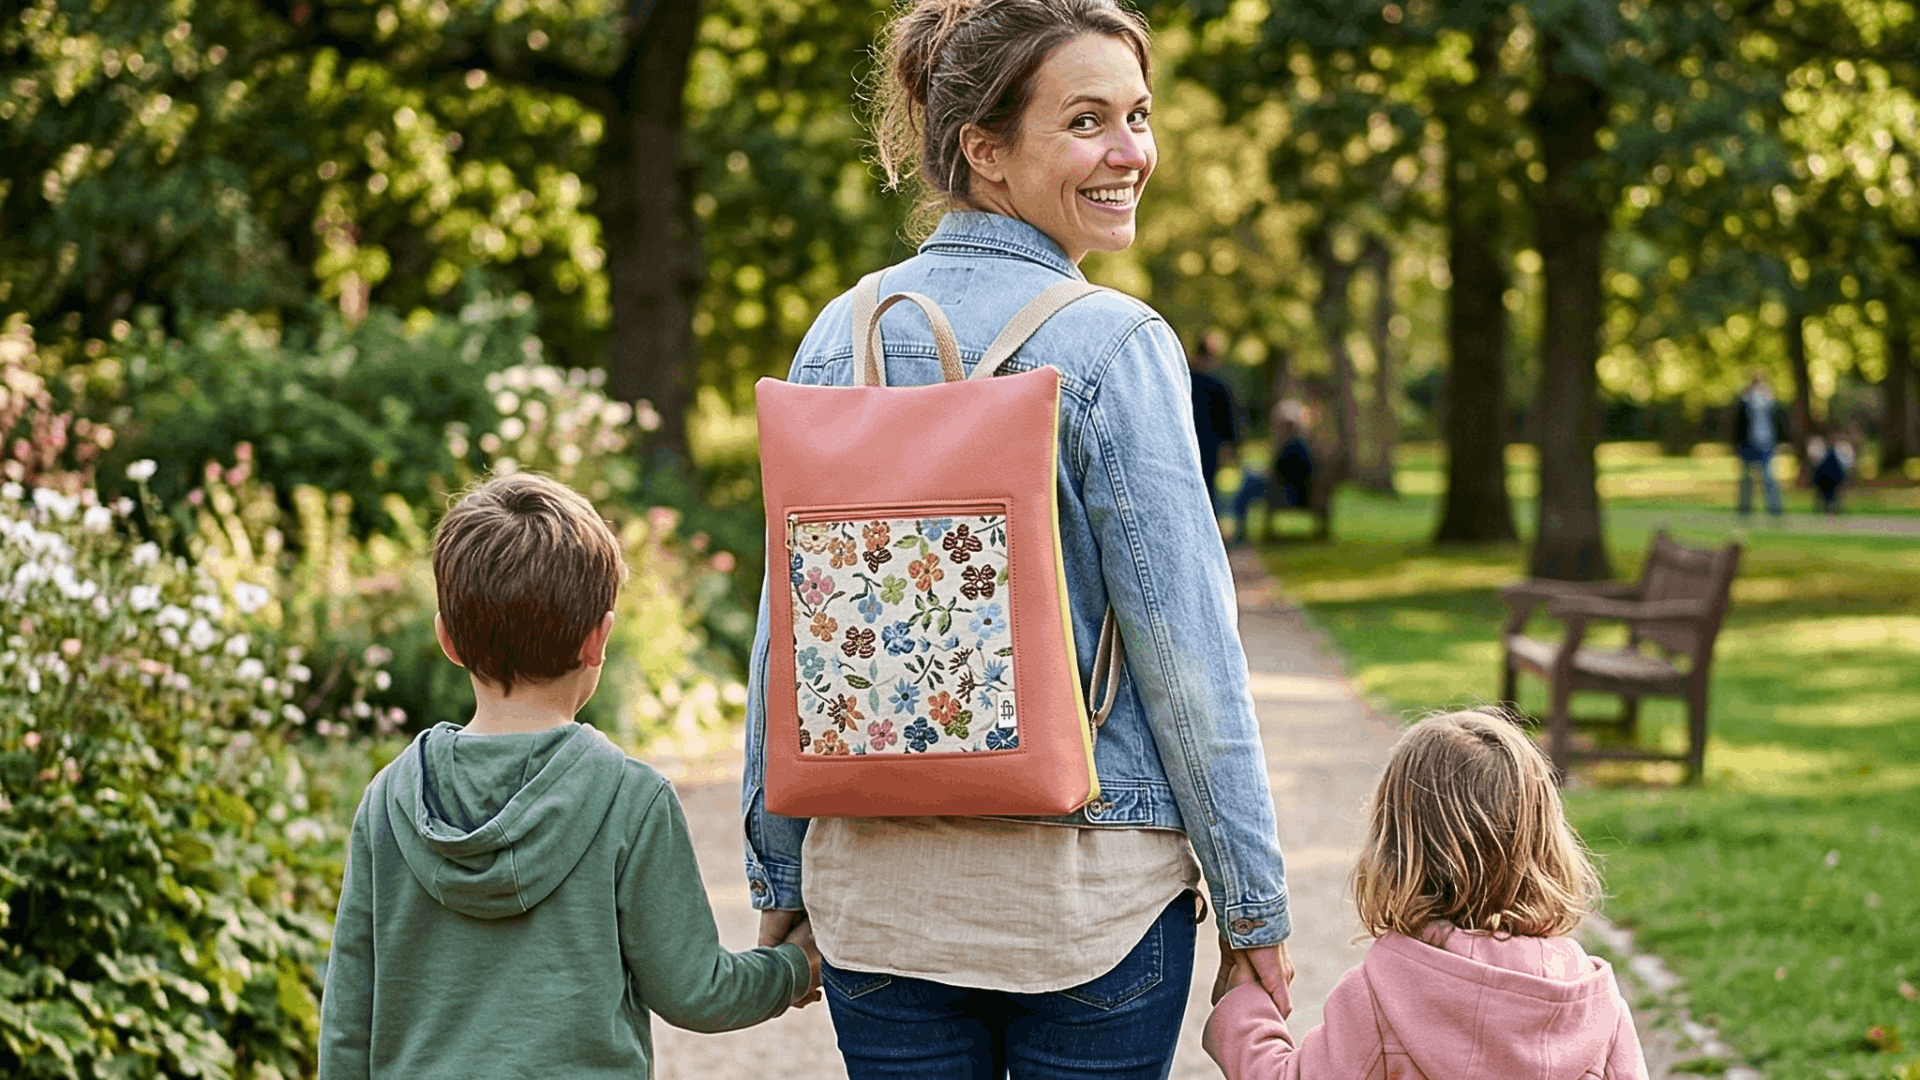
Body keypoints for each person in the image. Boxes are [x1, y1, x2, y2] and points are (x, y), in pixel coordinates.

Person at [742, 2, 1294, 1076]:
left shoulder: (839, 333)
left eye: (1138, 114)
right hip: (1085, 912)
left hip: (879, 905)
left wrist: (781, 876)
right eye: (1087, 121)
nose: (1130, 151)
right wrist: (1254, 908)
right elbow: (1188, 661)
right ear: (983, 150)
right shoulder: (1115, 345)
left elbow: (786, 641)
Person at [318, 473, 821, 1079]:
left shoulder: (389, 802)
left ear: (447, 641)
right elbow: (695, 992)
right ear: (598, 639)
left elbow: (349, 1017)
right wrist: (793, 969)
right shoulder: (629, 800)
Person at [1203, 710, 1649, 1080]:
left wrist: (1245, 1006)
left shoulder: (1381, 999)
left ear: (1395, 852)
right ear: (1543, 845)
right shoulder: (1595, 1007)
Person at [1230, 399, 1316, 545]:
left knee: (1248, 483)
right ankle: (1239, 532)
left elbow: (1280, 475)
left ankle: (1239, 535)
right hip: (1290, 492)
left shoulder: (1294, 446)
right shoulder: (1296, 443)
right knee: (1249, 480)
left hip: (1290, 495)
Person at [1191, 329, 1240, 515]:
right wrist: (1230, 445)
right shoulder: (1217, 385)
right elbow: (1227, 420)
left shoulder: (1186, 381)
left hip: (1194, 441)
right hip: (1209, 444)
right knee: (1207, 489)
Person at [1732, 373, 1788, 518]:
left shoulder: (1770, 403)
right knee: (1746, 477)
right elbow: (1738, 425)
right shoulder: (1744, 403)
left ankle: (1774, 508)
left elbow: (1778, 423)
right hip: (1748, 444)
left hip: (1766, 443)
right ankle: (1745, 508)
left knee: (1768, 476)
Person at [1807, 427, 1856, 514]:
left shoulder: (1843, 447)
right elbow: (1814, 463)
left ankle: (1833, 504)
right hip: (1822, 477)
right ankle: (1825, 504)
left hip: (1838, 477)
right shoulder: (1819, 446)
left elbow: (1850, 467)